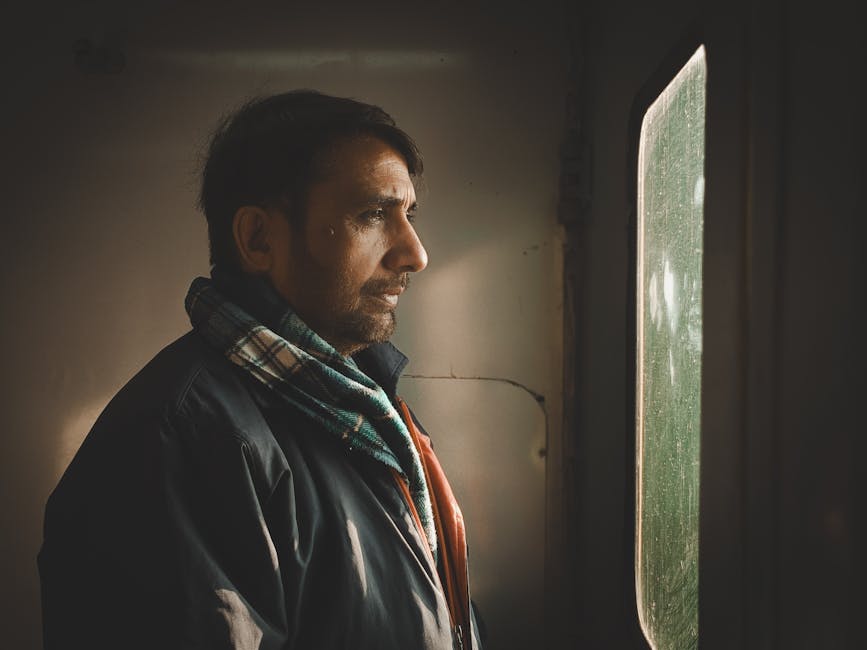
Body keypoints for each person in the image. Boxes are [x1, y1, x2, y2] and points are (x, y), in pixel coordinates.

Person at [38, 90, 481, 650]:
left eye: (407, 215)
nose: (415, 253)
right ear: (258, 238)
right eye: (372, 214)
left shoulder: (358, 408)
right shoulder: (180, 440)